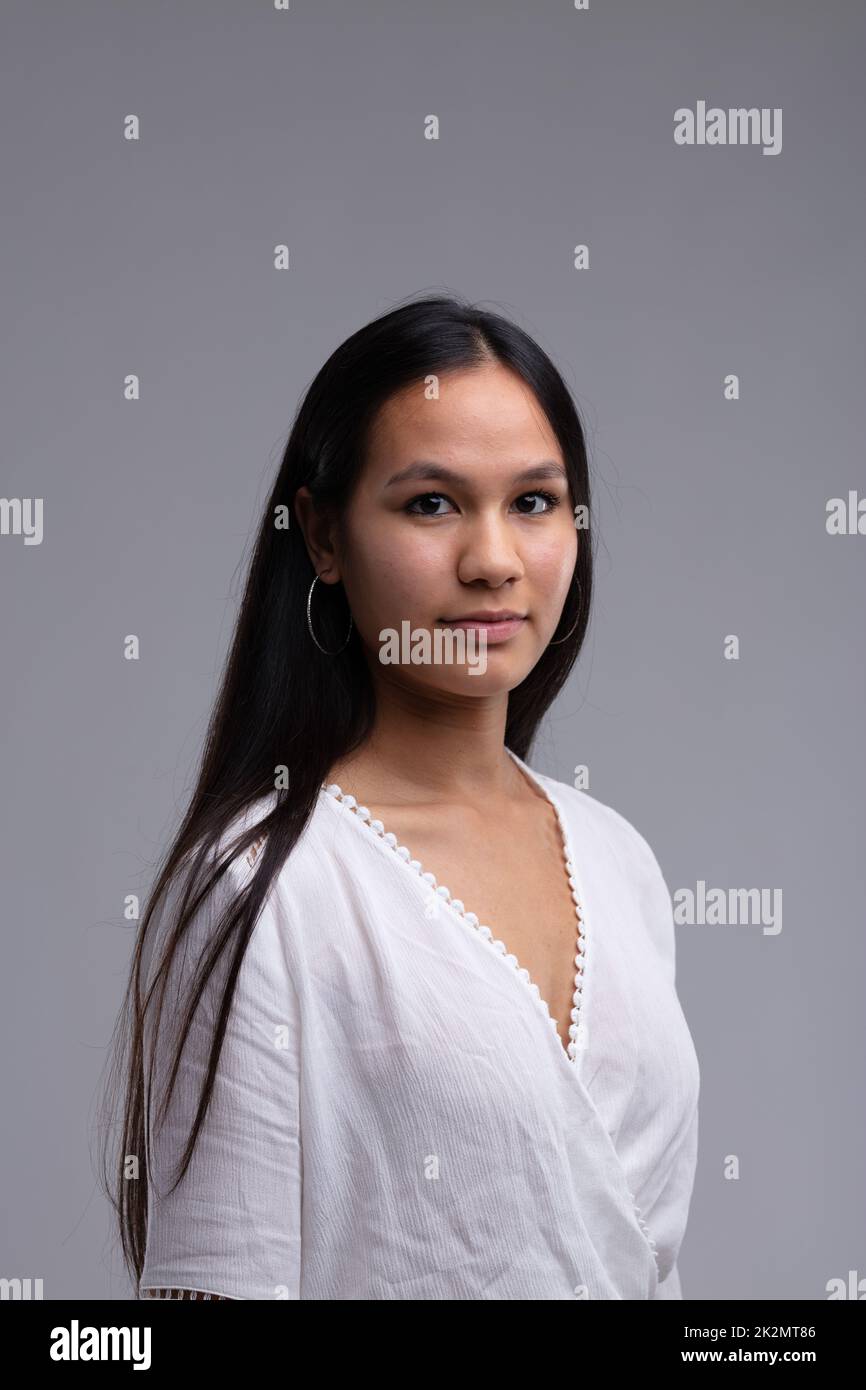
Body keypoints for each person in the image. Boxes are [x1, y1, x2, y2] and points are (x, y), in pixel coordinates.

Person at [104, 294, 700, 1300]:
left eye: (533, 501)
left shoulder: (618, 859)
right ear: (325, 539)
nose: (492, 560)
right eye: (430, 503)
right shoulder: (265, 883)